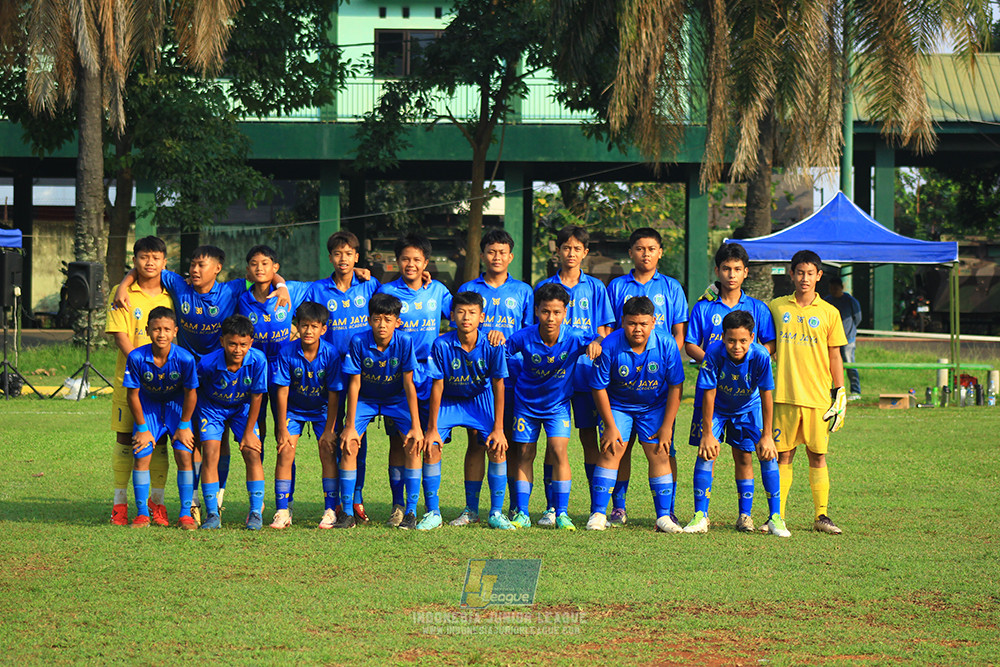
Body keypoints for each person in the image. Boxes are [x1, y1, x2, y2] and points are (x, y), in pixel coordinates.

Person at [115, 245, 289, 519]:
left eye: (201, 265)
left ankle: (218, 497)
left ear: (217, 269)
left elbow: (263, 274)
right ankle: (194, 503)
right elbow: (149, 267)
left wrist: (282, 286)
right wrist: (123, 285)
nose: (194, 270)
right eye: (192, 265)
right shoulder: (178, 285)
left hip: (225, 373)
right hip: (189, 379)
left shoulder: (231, 289)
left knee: (229, 444)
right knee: (199, 442)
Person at [684, 242, 776, 528]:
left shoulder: (758, 309)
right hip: (712, 393)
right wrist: (717, 363)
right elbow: (690, 344)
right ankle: (701, 515)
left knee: (744, 454)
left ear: (746, 272)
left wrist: (743, 364)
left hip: (746, 397)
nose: (731, 275)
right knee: (707, 450)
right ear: (717, 271)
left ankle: (745, 515)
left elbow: (769, 344)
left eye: (737, 269)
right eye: (726, 269)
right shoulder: (703, 306)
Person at [605, 227, 689, 526]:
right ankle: (618, 506)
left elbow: (679, 334)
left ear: (660, 252)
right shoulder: (616, 286)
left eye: (651, 249)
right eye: (640, 248)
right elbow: (611, 331)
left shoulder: (671, 287)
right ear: (631, 252)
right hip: (624, 378)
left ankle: (668, 508)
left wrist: (664, 363)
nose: (646, 254)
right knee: (621, 446)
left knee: (664, 446)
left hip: (659, 379)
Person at [683, 310, 789, 537]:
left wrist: (767, 435)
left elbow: (767, 395)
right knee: (706, 453)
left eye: (743, 340)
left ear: (752, 337)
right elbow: (708, 392)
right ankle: (700, 516)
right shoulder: (713, 353)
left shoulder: (761, 355)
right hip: (718, 408)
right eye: (731, 340)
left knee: (765, 453)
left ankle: (773, 517)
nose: (737, 346)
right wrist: (708, 433)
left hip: (750, 408)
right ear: (723, 337)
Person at [505, 282, 603, 530]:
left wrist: (597, 342)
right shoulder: (523, 336)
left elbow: (598, 338)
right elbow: (502, 354)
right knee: (525, 454)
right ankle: (523, 513)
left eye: (557, 312)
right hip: (525, 405)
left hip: (557, 406)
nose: (551, 318)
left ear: (565, 313)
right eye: (546, 311)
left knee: (559, 452)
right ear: (537, 310)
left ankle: (561, 513)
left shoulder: (573, 337)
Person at [534, 226, 614, 527]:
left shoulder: (595, 288)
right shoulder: (545, 287)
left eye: (576, 248)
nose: (570, 253)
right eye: (565, 247)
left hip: (585, 377)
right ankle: (551, 508)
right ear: (558, 251)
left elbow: (604, 330)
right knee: (555, 444)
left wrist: (593, 345)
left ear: (585, 253)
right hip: (552, 377)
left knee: (589, 438)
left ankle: (597, 509)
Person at [452, 229, 533, 526]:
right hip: (476, 379)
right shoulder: (469, 288)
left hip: (513, 378)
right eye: (491, 251)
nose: (496, 257)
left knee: (509, 441)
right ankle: (471, 509)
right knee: (476, 442)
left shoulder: (524, 291)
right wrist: (487, 336)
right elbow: (461, 331)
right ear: (483, 254)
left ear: (511, 256)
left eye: (502, 252)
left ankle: (514, 508)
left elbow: (529, 334)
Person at [587, 296, 684, 532]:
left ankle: (663, 517)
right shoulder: (610, 345)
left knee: (659, 452)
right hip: (619, 406)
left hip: (654, 407)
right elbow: (598, 387)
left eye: (643, 323)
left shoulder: (666, 343)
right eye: (632, 323)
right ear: (623, 322)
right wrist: (610, 427)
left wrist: (667, 426)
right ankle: (598, 514)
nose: (637, 329)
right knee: (613, 448)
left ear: (653, 322)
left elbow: (676, 386)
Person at [769, 250, 847, 535]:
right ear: (791, 274)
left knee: (818, 456)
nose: (804, 278)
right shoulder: (776, 307)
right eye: (799, 272)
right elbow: (768, 345)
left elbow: (835, 356)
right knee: (783, 456)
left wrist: (839, 393)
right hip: (784, 396)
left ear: (819, 276)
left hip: (817, 398)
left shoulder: (830, 313)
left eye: (810, 273)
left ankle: (821, 516)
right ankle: (777, 516)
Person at [376, 234, 452, 527]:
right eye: (405, 259)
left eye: (417, 260)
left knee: (432, 440)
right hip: (398, 376)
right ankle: (400, 506)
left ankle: (428, 508)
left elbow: (459, 319)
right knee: (400, 441)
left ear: (426, 263)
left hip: (430, 376)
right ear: (397, 261)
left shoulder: (438, 290)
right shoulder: (386, 290)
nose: (411, 264)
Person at [306, 231, 382, 523]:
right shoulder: (318, 290)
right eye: (337, 254)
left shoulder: (370, 285)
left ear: (356, 257)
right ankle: (334, 502)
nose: (343, 259)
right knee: (331, 437)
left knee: (354, 438)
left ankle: (356, 498)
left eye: (348, 254)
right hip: (327, 374)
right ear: (330, 258)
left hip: (363, 375)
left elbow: (387, 308)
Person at [424, 292, 512, 530]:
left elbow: (498, 385)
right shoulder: (441, 344)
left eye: (472, 313)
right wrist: (431, 429)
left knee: (497, 446)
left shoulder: (492, 345)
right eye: (461, 312)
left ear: (481, 317)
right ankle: (433, 513)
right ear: (452, 316)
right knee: (431, 447)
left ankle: (495, 513)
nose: (466, 317)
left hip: (480, 399)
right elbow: (437, 385)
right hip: (449, 401)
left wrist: (499, 428)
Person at [336, 293, 423, 529]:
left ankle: (410, 512)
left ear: (397, 321)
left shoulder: (405, 342)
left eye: (388, 319)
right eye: (377, 319)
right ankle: (346, 514)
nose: (382, 325)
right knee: (350, 443)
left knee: (412, 443)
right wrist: (350, 425)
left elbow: (408, 384)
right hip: (367, 399)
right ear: (369, 319)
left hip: (397, 400)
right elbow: (354, 383)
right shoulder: (358, 342)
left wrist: (415, 426)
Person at [106, 236, 175, 527]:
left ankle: (155, 504)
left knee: (158, 443)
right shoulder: (120, 293)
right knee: (125, 440)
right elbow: (120, 335)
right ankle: (119, 504)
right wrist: (144, 366)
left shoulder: (172, 294)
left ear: (164, 262)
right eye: (143, 257)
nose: (150, 263)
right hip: (131, 382)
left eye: (155, 258)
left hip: (165, 386)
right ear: (134, 261)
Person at [122, 307, 199, 529]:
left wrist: (185, 424)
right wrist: (142, 427)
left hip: (177, 408)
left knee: (185, 455)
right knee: (142, 455)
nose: (161, 334)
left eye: (166, 329)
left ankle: (185, 514)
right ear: (147, 330)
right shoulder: (136, 357)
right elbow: (132, 394)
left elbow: (191, 392)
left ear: (175, 331)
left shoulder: (185, 359)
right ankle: (142, 514)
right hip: (149, 407)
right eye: (156, 329)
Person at [269, 302, 343, 530]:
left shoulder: (331, 354)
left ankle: (330, 509)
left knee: (328, 451)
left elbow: (334, 394)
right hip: (294, 409)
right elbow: (281, 392)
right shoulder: (286, 352)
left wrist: (330, 429)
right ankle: (283, 509)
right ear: (297, 327)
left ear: (323, 328)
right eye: (304, 326)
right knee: (285, 451)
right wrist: (282, 427)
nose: (308, 331)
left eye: (314, 326)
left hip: (322, 410)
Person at [195, 315, 269, 530]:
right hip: (212, 408)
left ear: (251, 343)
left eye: (243, 345)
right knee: (210, 453)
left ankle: (256, 512)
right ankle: (211, 514)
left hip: (242, 408)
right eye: (232, 344)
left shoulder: (258, 360)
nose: (238, 349)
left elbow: (257, 396)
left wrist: (248, 433)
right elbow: (194, 390)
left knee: (252, 451)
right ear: (222, 342)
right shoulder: (207, 363)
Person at [825, 277, 862, 400]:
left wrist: (849, 331)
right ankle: (829, 390)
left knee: (849, 364)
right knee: (828, 365)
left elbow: (858, 318)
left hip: (848, 340)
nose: (833, 291)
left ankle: (855, 391)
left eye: (835, 288)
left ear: (842, 288)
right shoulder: (827, 301)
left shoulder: (851, 301)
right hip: (830, 341)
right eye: (831, 289)